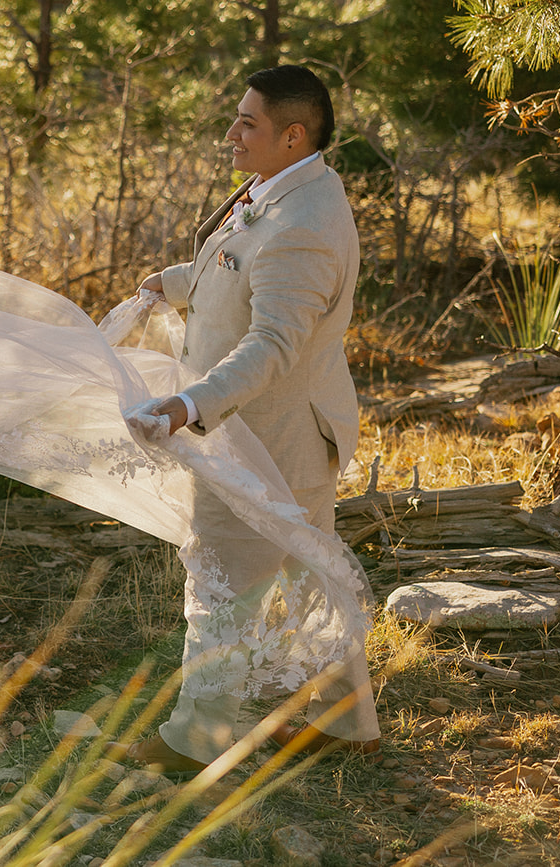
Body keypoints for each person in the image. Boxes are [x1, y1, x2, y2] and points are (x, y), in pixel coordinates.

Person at [122, 64, 381, 775]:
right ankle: (347, 724)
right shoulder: (289, 186)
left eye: (247, 122)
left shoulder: (304, 227)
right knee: (307, 574)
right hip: (290, 427)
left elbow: (272, 342)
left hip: (270, 433)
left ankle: (195, 738)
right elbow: (241, 268)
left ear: (292, 135)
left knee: (222, 579)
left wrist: (189, 405)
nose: (231, 133)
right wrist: (177, 283)